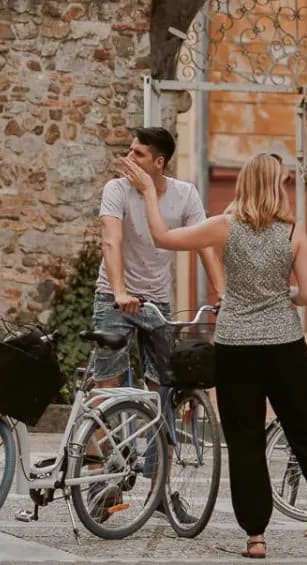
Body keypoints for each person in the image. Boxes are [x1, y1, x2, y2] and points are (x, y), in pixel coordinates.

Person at [120, 151, 307, 561]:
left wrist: (146, 191)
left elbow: (163, 238)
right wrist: (278, 294)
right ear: (278, 186)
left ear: (243, 185)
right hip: (285, 345)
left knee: (245, 440)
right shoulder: (293, 232)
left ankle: (256, 538)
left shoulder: (224, 227)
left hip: (237, 346)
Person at [91, 127, 221, 387]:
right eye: (129, 150)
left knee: (163, 382)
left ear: (159, 162)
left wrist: (222, 293)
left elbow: (204, 245)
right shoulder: (116, 190)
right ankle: (100, 427)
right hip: (114, 297)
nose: (129, 158)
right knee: (108, 384)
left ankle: (156, 428)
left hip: (157, 300)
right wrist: (119, 292)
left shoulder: (185, 194)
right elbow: (110, 241)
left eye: (138, 154)